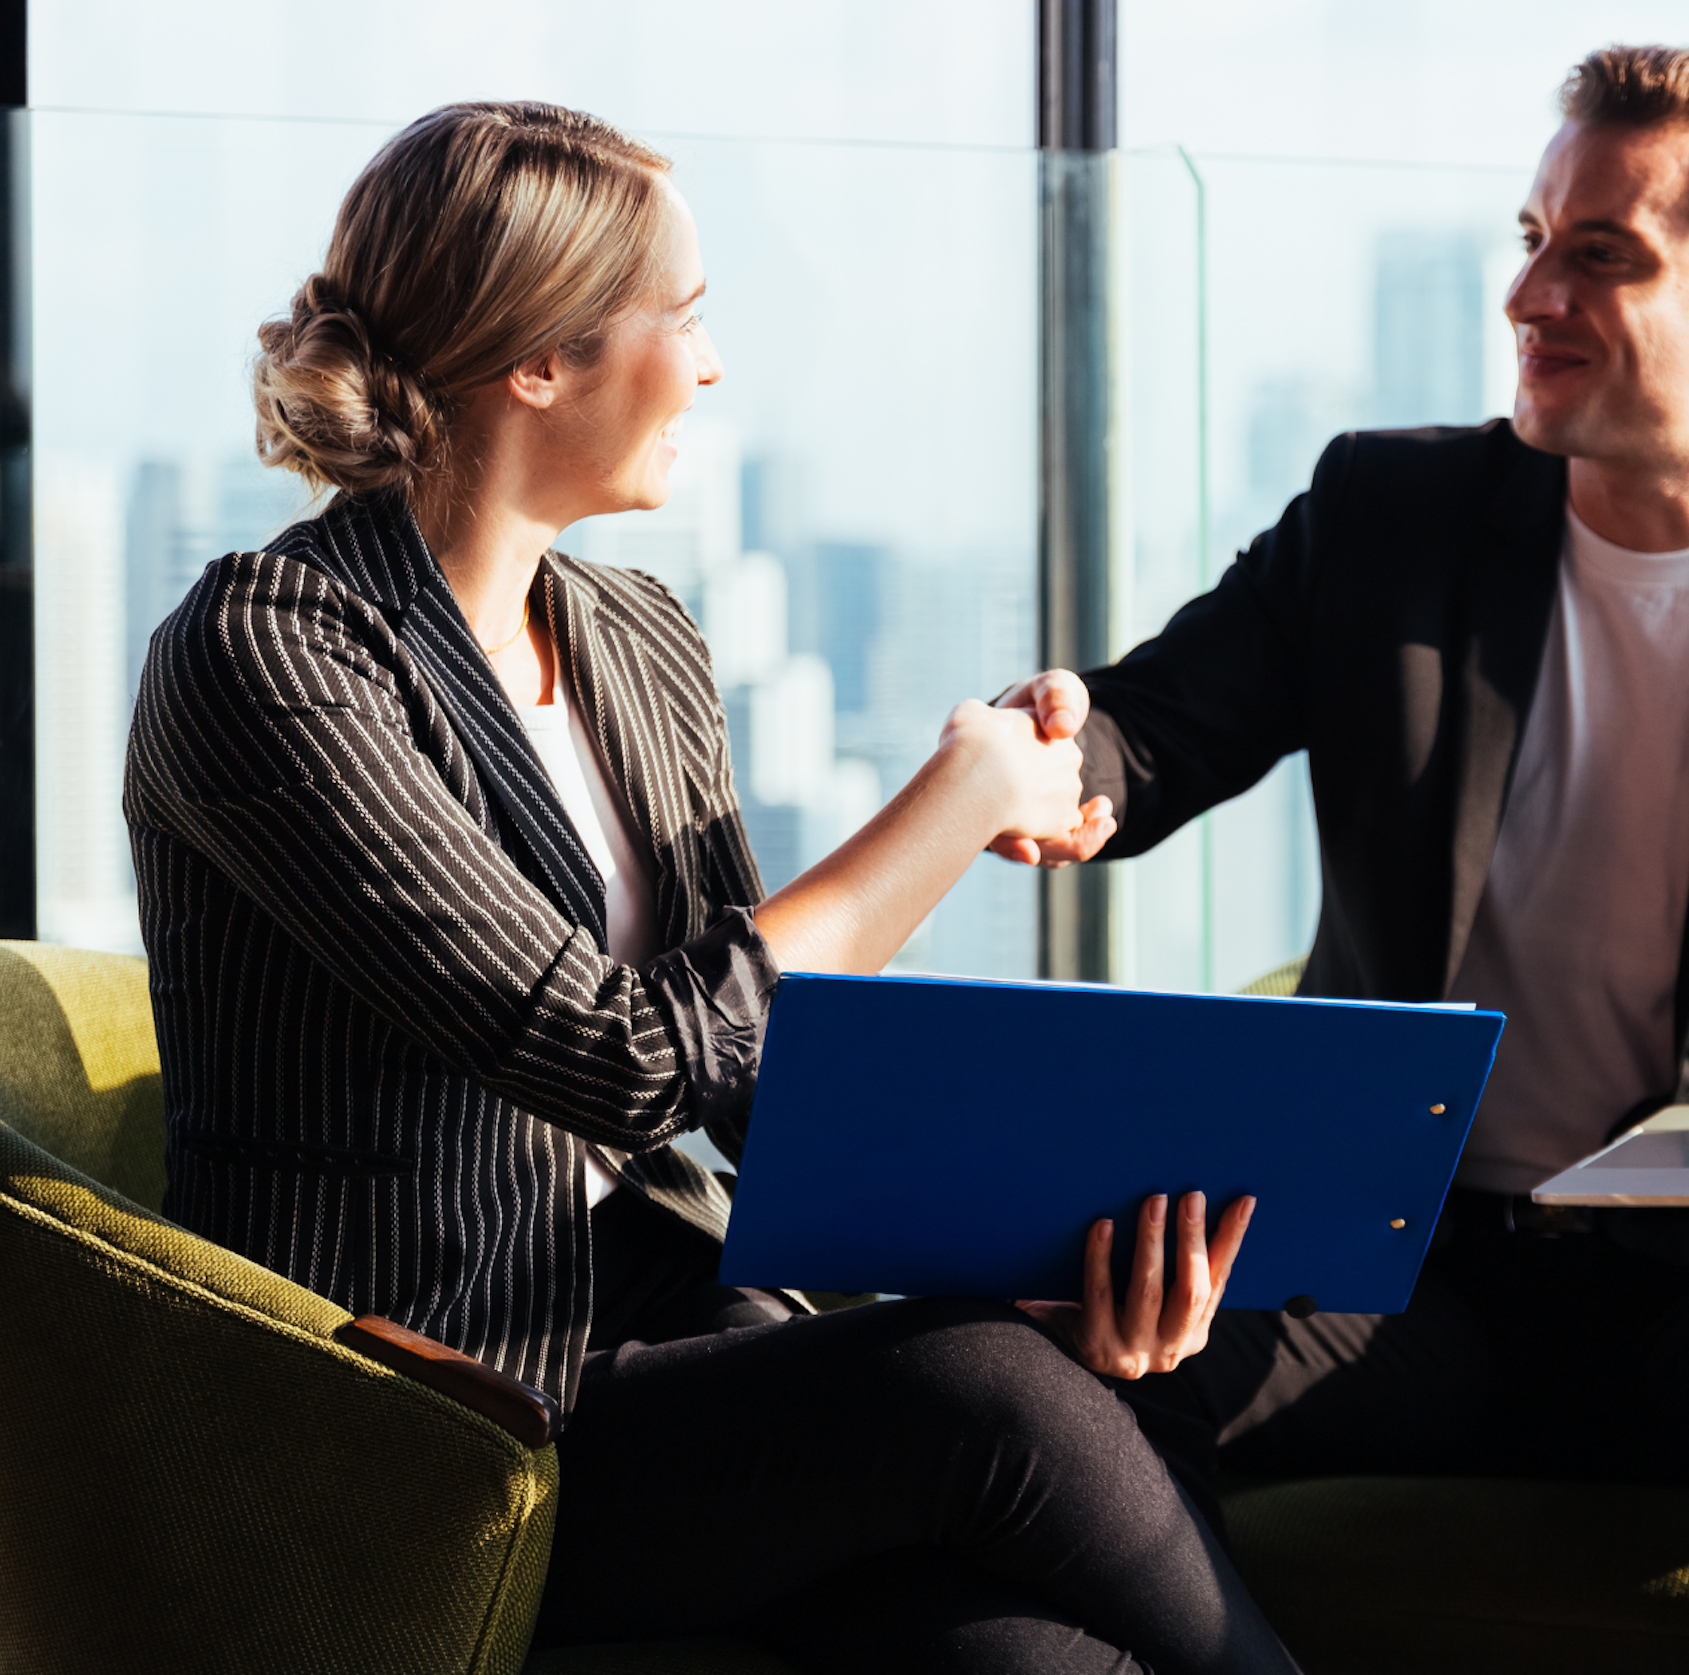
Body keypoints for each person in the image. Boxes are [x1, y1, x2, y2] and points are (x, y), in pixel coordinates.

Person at [124, 102, 1297, 1675]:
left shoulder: (637, 638)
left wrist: (1036, 1251)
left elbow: (761, 1080)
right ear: (539, 360)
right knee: (976, 1388)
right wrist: (945, 811)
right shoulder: (271, 647)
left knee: (1025, 1621)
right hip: (426, 1415)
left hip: (665, 1349)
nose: (714, 365)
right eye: (681, 318)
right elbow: (616, 1049)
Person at [994, 46, 1689, 1675]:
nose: (1529, 290)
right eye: (1531, 234)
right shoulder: (1387, 512)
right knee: (1056, 1362)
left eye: (1600, 251)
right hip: (1403, 1268)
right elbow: (1149, 733)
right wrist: (1058, 762)